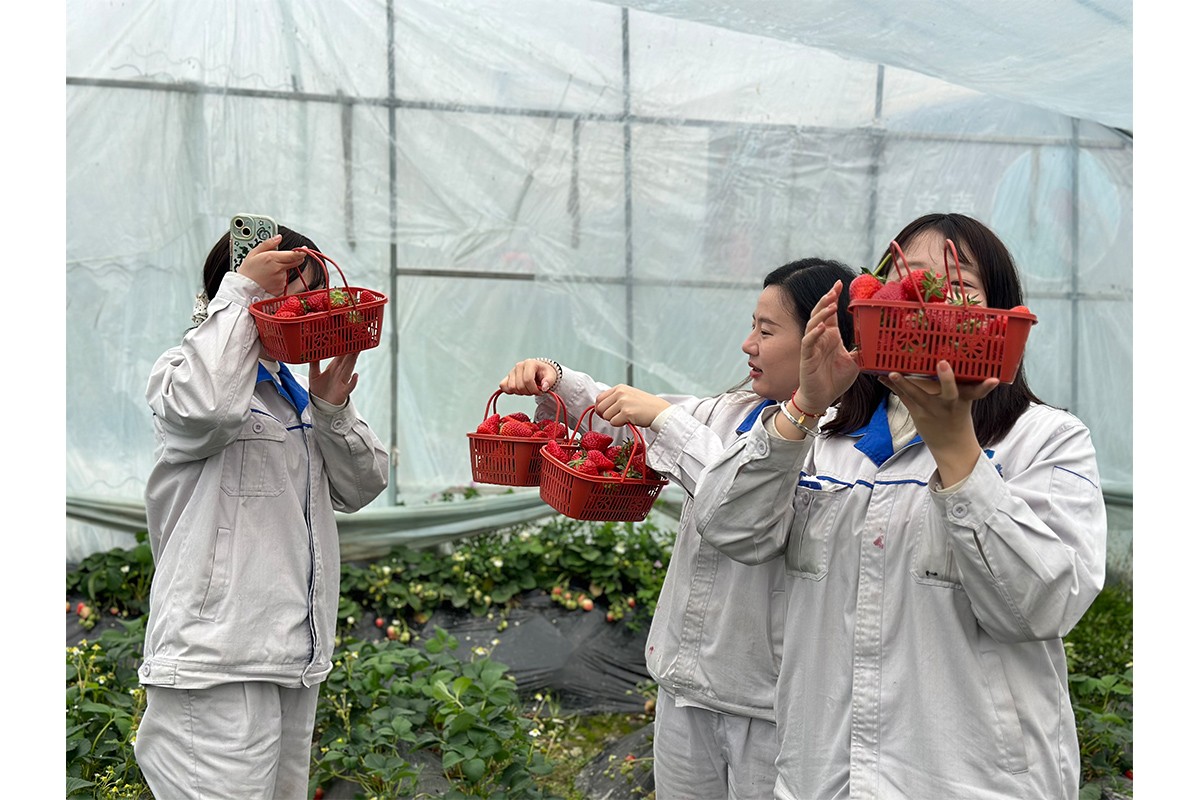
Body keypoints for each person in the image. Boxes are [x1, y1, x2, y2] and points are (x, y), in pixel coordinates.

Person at [692, 213, 1107, 800]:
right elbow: (729, 528)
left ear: (1001, 314)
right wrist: (805, 405)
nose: (928, 303)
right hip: (823, 777)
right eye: (907, 283)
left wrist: (956, 448)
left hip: (973, 783)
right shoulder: (826, 438)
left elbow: (1040, 607)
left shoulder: (1044, 440)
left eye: (957, 286)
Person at [499, 258, 859, 800]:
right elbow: (622, 423)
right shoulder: (730, 412)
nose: (748, 345)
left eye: (766, 331)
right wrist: (557, 378)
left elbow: (741, 505)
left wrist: (665, 421)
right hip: (684, 692)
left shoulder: (846, 450)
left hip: (770, 711)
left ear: (822, 341)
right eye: (752, 327)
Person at [134, 226, 390, 799]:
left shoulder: (291, 396)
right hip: (215, 663)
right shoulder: (182, 373)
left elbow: (361, 485)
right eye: (291, 286)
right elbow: (208, 409)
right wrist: (240, 294)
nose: (310, 304)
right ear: (239, 288)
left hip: (289, 659)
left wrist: (331, 409)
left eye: (315, 291)